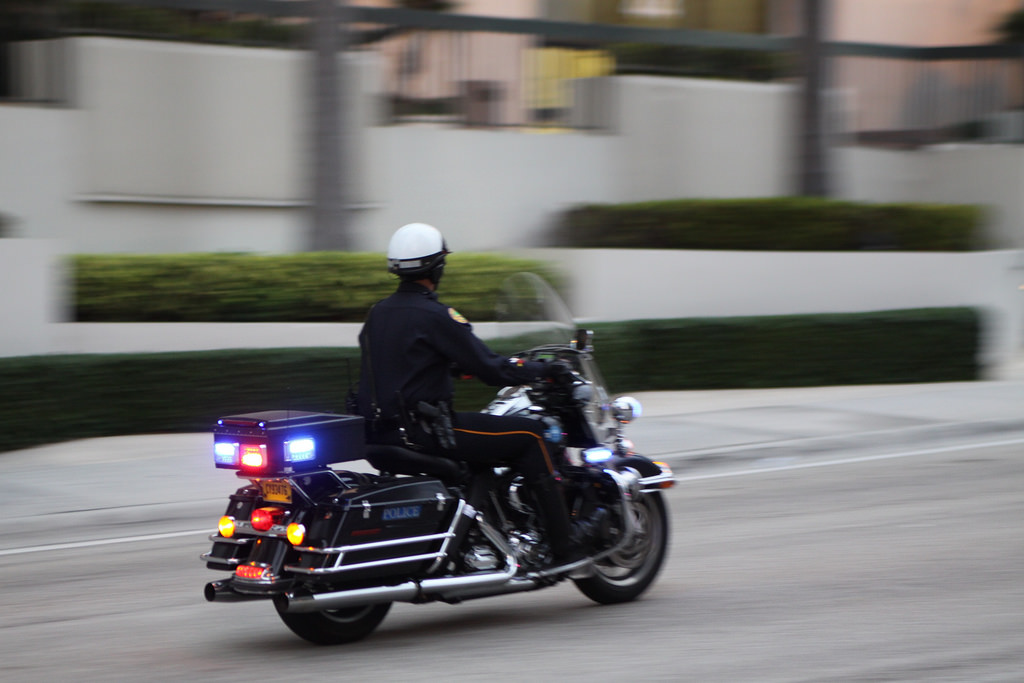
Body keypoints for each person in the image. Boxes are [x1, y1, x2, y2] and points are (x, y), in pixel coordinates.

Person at [355, 222, 584, 564]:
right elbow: (493, 370)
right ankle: (565, 547)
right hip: (429, 433)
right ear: (438, 266)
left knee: (495, 439)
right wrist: (545, 370)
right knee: (531, 434)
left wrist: (448, 368)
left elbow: (402, 365)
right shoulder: (437, 315)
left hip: (383, 434)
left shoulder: (377, 314)